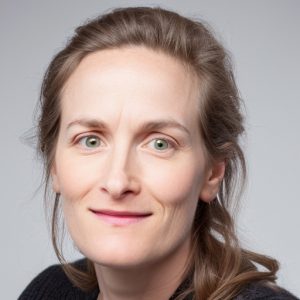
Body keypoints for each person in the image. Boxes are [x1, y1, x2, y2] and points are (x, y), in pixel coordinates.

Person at [18, 6, 298, 300]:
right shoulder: (50, 291)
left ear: (212, 172)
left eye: (160, 144)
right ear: (54, 165)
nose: (117, 182)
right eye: (90, 141)